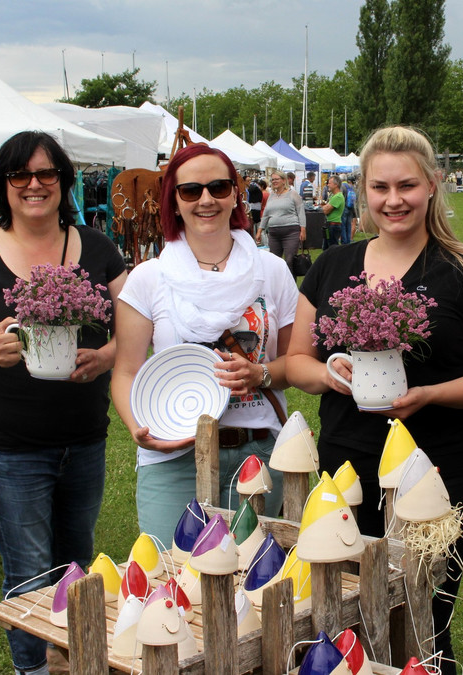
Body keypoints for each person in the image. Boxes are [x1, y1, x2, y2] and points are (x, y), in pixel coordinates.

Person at [287, 125, 463, 674]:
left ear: (432, 184)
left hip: (433, 470)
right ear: (362, 189)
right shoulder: (332, 265)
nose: (394, 200)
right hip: (346, 464)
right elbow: (296, 362)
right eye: (380, 187)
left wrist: (429, 393)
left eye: (406, 185)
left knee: (422, 617)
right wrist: (330, 373)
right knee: (342, 614)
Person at [0, 131, 126, 675]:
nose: (33, 185)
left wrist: (106, 356)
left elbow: (136, 328)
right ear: (4, 185)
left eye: (46, 174)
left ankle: (76, 659)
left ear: (63, 182)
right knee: (29, 572)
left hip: (83, 436)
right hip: (10, 441)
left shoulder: (98, 248)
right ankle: (33, 668)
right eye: (19, 174)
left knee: (75, 565)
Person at [111, 144, 299, 545]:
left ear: (235, 195)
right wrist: (138, 428)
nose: (206, 199)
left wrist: (260, 373)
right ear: (174, 201)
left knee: (253, 574)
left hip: (258, 452)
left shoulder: (272, 271)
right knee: (173, 573)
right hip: (175, 455)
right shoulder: (149, 278)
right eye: (191, 190)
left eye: (218, 187)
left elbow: (294, 363)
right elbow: (125, 371)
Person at [262, 169, 307, 276]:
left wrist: (303, 229)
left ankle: (290, 284)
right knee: (274, 262)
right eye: (272, 180)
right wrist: (260, 229)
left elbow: (301, 212)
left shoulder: (293, 194)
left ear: (283, 180)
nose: (274, 181)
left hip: (291, 232)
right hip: (273, 233)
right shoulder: (271, 195)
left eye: (276, 179)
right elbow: (266, 213)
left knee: (290, 261)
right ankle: (276, 284)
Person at [321, 175, 345, 250]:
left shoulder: (338, 197)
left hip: (333, 225)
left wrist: (324, 207)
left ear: (336, 185)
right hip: (330, 224)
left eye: (329, 183)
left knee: (332, 248)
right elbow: (325, 208)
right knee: (326, 248)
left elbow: (325, 211)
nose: (328, 185)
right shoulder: (333, 196)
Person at [247, 173, 264, 243]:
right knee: (256, 225)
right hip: (257, 208)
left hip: (252, 208)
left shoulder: (249, 189)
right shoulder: (258, 189)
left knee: (252, 225)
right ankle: (257, 240)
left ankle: (254, 239)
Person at [340, 177, 357, 244]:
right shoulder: (353, 188)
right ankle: (348, 241)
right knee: (349, 225)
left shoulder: (343, 186)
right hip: (351, 208)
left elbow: (341, 197)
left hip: (344, 207)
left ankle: (344, 242)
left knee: (343, 225)